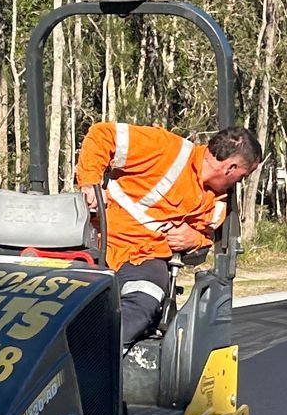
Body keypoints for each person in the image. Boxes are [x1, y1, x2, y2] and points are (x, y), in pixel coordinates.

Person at [74, 119, 263, 344]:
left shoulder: (219, 202)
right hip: (99, 242)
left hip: (145, 259)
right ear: (230, 168)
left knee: (144, 302)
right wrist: (89, 183)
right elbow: (102, 134)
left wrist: (195, 240)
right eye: (241, 177)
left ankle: (93, 352)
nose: (238, 183)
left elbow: (205, 239)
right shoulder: (165, 148)